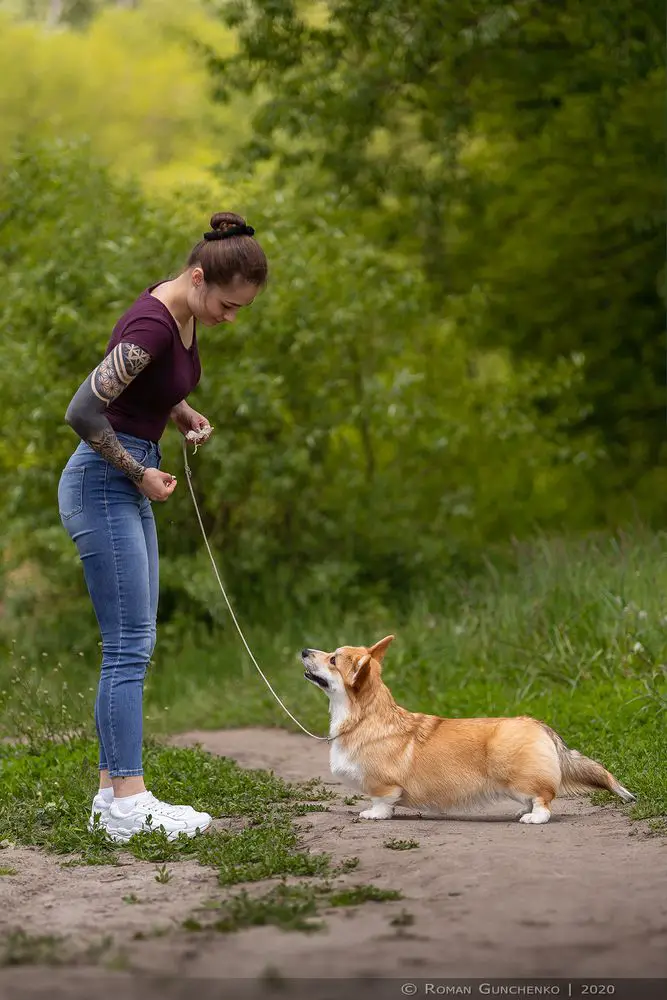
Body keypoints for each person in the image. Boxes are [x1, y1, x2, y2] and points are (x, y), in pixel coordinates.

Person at [57, 212, 267, 843]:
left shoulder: (180, 311)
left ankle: (111, 798)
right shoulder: (152, 323)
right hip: (104, 482)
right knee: (128, 645)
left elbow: (144, 383)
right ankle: (128, 801)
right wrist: (137, 471)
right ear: (198, 278)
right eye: (227, 305)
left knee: (135, 640)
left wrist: (178, 411)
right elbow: (82, 410)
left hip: (127, 476)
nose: (230, 318)